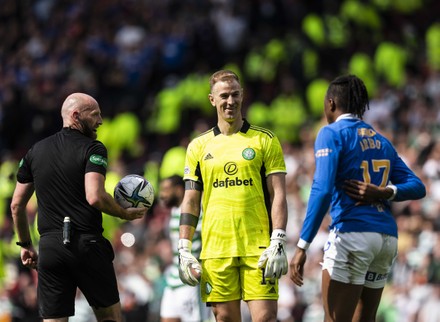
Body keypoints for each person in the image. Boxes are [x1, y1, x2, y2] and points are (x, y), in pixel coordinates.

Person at [289, 74, 426, 322]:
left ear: (330, 103)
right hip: (386, 238)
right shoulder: (381, 140)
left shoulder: (330, 133)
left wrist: (302, 246)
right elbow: (417, 186)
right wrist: (386, 192)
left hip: (352, 235)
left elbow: (322, 190)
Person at [10, 93, 148, 322]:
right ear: (76, 116)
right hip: (87, 245)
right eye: (95, 115)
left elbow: (16, 205)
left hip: (50, 248)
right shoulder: (93, 148)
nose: (101, 121)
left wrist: (25, 245)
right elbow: (94, 196)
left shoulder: (35, 151)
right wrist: (124, 213)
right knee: (110, 318)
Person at [177, 69, 288, 322]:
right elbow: (191, 199)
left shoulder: (265, 140)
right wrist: (183, 247)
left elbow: (278, 193)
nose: (230, 101)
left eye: (235, 94)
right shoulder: (198, 146)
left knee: (266, 318)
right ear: (212, 100)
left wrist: (279, 238)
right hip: (216, 250)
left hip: (258, 247)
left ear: (242, 96)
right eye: (224, 95)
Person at [159, 175, 209, 322]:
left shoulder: (195, 212)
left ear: (179, 190)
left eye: (167, 189)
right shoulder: (174, 212)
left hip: (190, 280)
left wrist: (200, 268)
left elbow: (207, 238)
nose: (163, 194)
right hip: (173, 279)